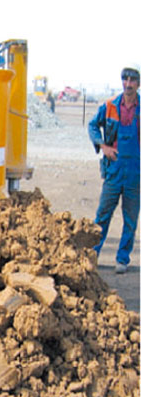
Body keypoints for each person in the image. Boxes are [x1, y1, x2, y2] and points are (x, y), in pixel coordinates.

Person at [88, 66, 140, 274]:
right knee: (103, 214)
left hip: (135, 171)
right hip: (114, 169)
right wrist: (103, 146)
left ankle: (122, 259)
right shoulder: (110, 106)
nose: (128, 84)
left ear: (138, 84)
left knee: (130, 219)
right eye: (125, 80)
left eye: (132, 80)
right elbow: (93, 125)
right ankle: (93, 255)